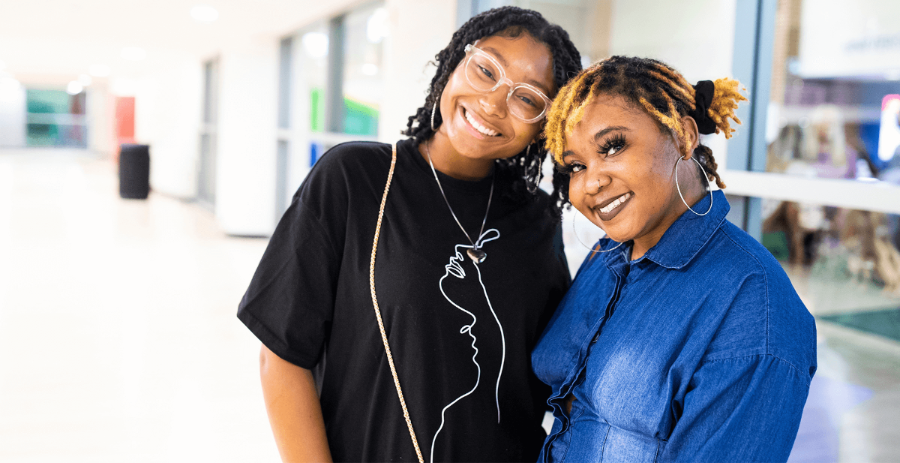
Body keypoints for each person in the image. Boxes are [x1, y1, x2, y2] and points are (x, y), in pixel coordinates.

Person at [237, 7, 582, 463]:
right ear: (456, 61)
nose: (494, 103)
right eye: (485, 69)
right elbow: (281, 357)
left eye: (527, 99)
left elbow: (544, 371)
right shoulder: (355, 179)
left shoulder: (537, 217)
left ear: (545, 125)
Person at [531, 56, 817, 462]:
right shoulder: (609, 254)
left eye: (613, 147)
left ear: (683, 136)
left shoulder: (757, 310)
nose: (591, 182)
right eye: (576, 165)